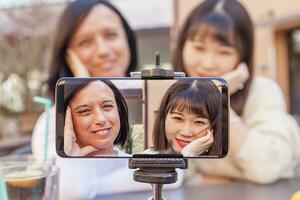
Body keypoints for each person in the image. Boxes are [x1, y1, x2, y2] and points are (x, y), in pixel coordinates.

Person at [32, 1, 181, 199]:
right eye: (85, 42)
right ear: (68, 56)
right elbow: (71, 191)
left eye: (111, 35)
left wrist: (96, 186)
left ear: (127, 40)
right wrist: (82, 84)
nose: (102, 50)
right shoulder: (50, 124)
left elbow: (173, 176)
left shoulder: (153, 102)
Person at [173, 0, 300, 184]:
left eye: (224, 52)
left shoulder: (262, 91)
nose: (208, 63)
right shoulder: (171, 94)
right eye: (199, 48)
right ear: (182, 46)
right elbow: (177, 176)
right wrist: (238, 174)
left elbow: (266, 168)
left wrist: (220, 101)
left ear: (243, 57)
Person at [152, 79, 222, 157]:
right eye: (178, 118)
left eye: (199, 122)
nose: (186, 133)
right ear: (164, 118)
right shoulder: (145, 159)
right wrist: (187, 154)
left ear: (214, 127)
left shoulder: (226, 163)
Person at [63, 79, 129, 157]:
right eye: (85, 111)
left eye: (107, 106)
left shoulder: (138, 167)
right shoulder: (55, 167)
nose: (101, 119)